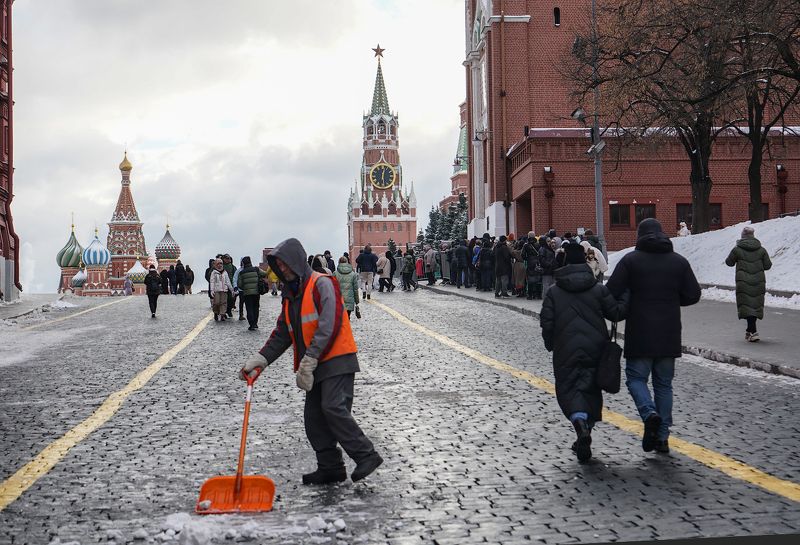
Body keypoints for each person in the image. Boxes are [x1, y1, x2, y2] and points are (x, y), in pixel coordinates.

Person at [240, 238, 382, 484]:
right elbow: (283, 332)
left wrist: (311, 358)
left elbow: (330, 323)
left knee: (333, 407)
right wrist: (261, 359)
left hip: (337, 358)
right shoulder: (290, 294)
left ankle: (366, 455)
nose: (282, 269)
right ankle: (330, 467)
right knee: (313, 417)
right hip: (314, 362)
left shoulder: (321, 284)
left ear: (296, 260)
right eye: (278, 266)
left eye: (285, 264)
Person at [606, 218, 701, 454]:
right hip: (669, 332)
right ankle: (663, 437)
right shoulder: (679, 262)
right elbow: (693, 294)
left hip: (640, 331)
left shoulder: (630, 261)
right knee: (664, 384)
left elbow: (611, 292)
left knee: (636, 379)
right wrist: (671, 300)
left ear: (639, 236)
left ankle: (649, 414)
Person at [541, 243, 627, 462]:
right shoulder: (597, 288)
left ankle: (579, 424)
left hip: (565, 347)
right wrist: (628, 295)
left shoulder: (554, 292)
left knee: (569, 388)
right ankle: (586, 426)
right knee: (590, 388)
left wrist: (550, 343)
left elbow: (547, 322)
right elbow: (615, 313)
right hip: (595, 346)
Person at [725, 225, 772, 342]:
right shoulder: (761, 250)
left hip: (743, 282)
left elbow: (729, 262)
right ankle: (749, 331)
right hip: (758, 282)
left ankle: (753, 331)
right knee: (754, 306)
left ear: (743, 237)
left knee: (747, 306)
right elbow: (768, 265)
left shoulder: (737, 249)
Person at [237, 256, 267, 331]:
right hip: (256, 292)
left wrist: (245, 288)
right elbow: (265, 274)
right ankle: (255, 323)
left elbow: (239, 284)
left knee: (249, 308)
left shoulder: (241, 273)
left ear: (243, 263)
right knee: (256, 307)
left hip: (247, 293)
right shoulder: (256, 269)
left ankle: (251, 324)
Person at [522, 233, 542, 299]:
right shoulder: (538, 244)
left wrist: (527, 259)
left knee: (530, 279)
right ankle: (538, 294)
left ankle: (530, 295)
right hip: (537, 262)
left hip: (530, 262)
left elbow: (523, 255)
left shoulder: (526, 245)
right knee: (538, 278)